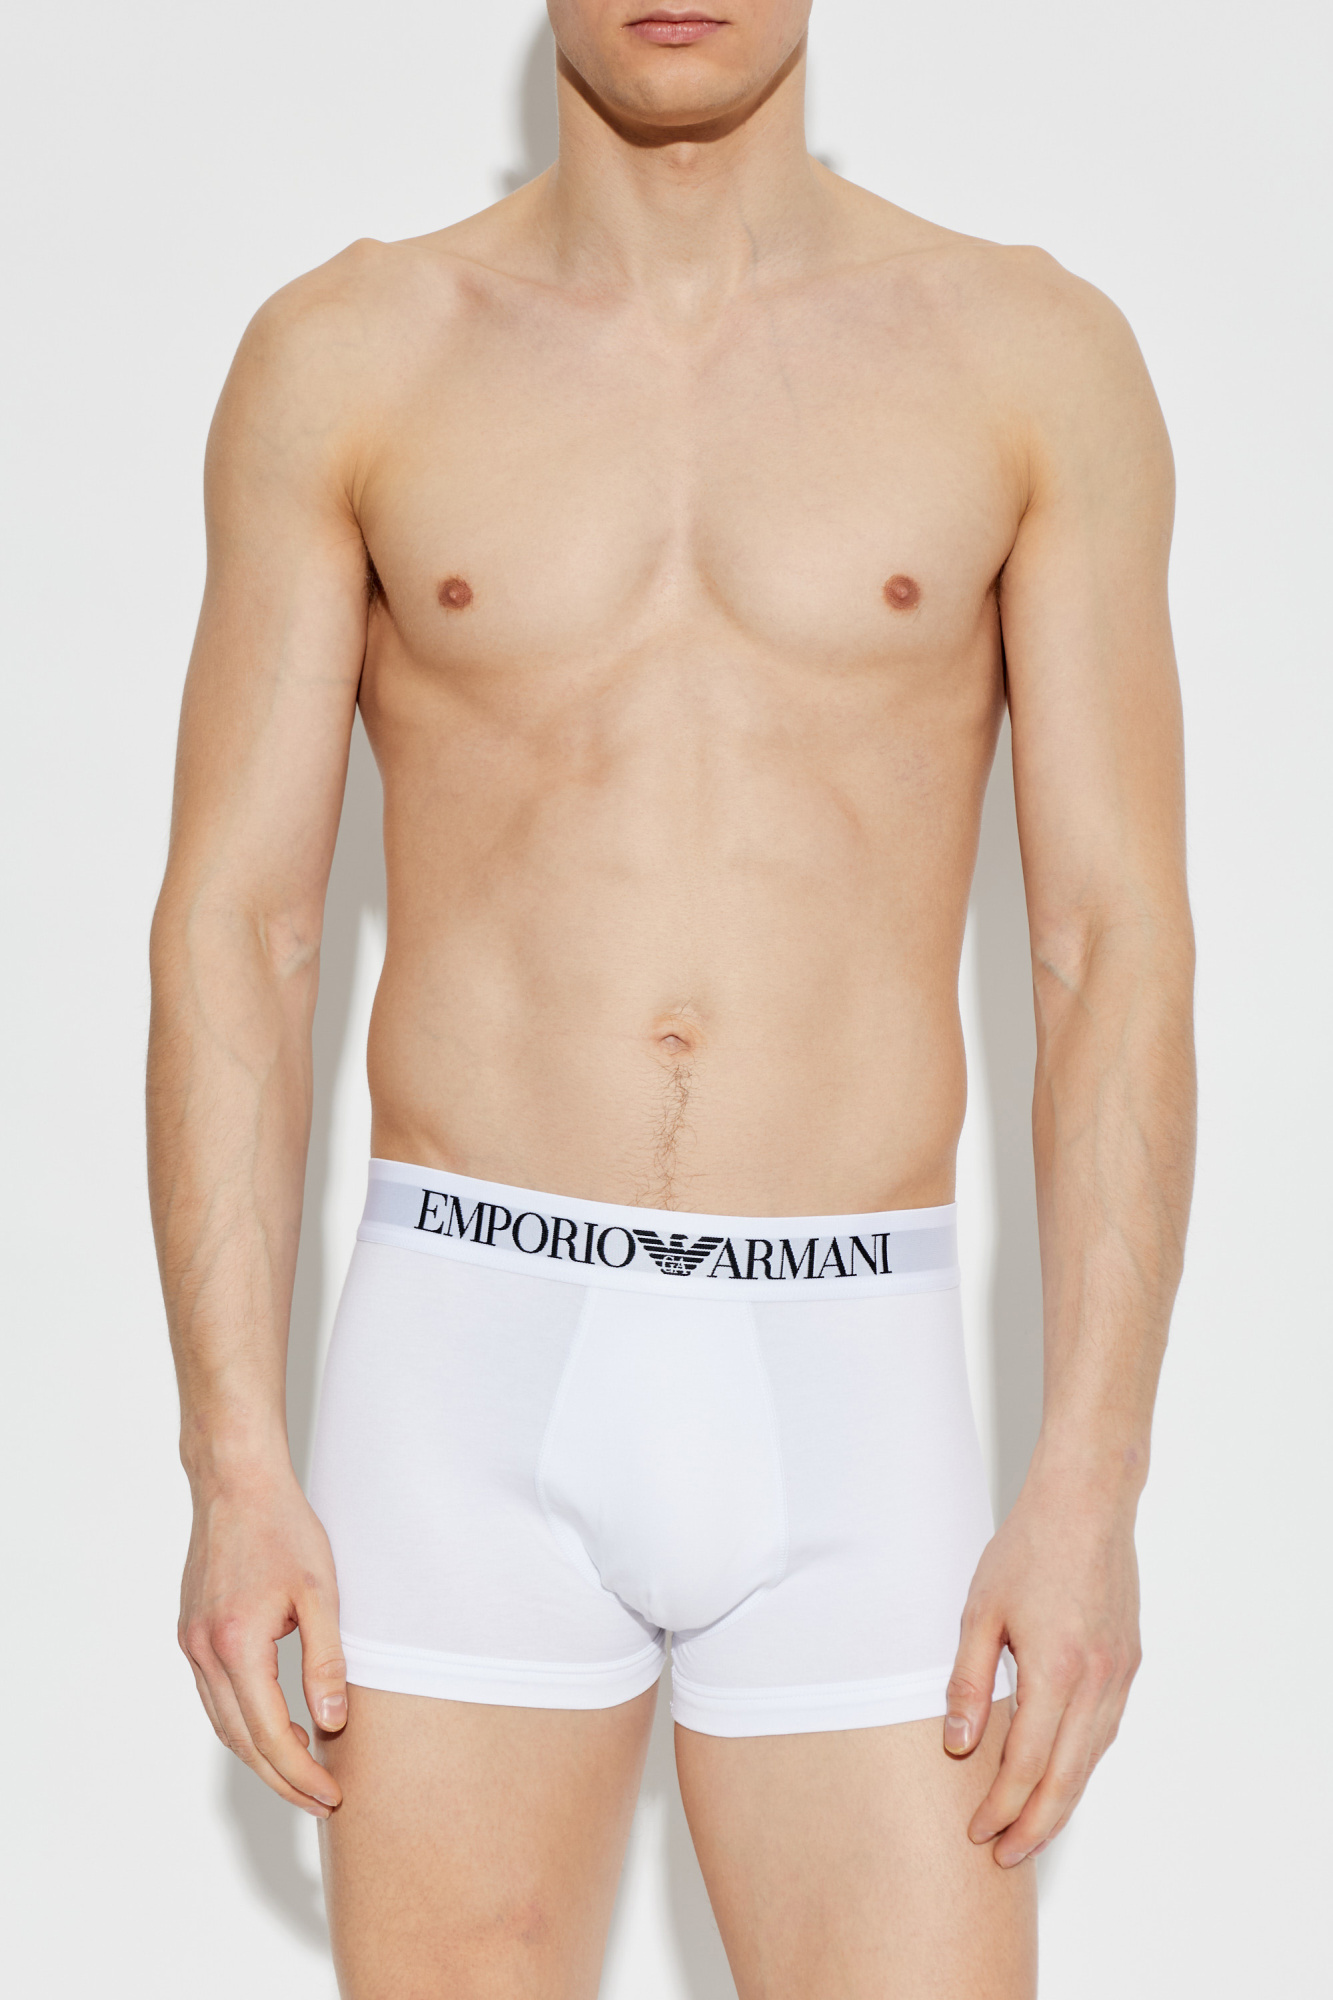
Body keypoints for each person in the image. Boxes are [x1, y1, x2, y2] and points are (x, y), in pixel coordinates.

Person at [147, 4, 1196, 1994]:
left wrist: (1089, 1483)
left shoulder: (1025, 358)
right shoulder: (350, 355)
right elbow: (239, 927)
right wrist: (232, 1460)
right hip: (460, 1366)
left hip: (853, 1375)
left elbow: (1108, 939)